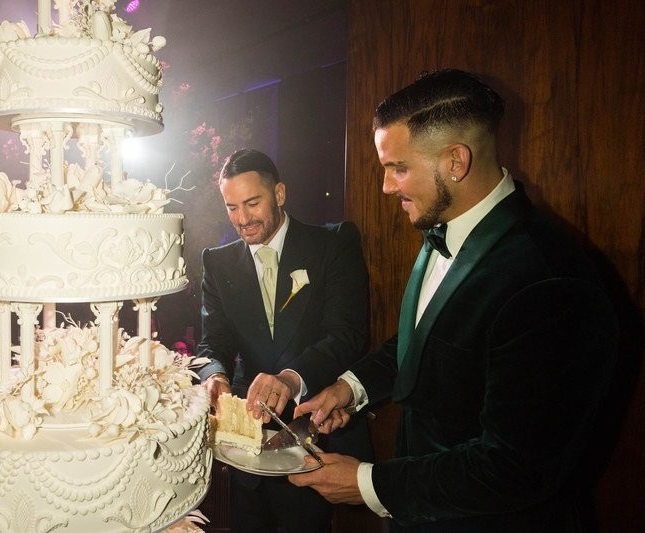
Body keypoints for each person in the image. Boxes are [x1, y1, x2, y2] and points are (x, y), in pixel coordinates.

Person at [287, 69, 618, 532]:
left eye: (399, 168)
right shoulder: (447, 226)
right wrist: (350, 388)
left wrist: (367, 483)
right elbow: (425, 343)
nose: (386, 186)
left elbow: (515, 467)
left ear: (456, 162)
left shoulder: (548, 278)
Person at [196, 148, 375, 532]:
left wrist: (292, 378)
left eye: (252, 203)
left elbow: (348, 335)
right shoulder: (216, 262)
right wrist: (215, 375)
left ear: (279, 194)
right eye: (231, 207)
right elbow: (214, 342)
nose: (242, 219)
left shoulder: (332, 244)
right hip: (246, 445)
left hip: (315, 434)